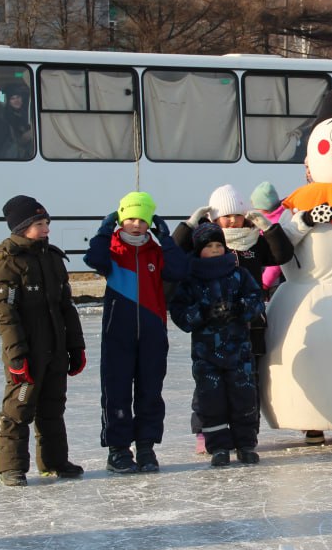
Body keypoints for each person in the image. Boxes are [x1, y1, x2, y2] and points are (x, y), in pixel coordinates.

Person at [175, 183, 294, 449]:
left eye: (236, 214)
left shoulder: (254, 241)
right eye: (225, 215)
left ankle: (246, 432)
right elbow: (173, 254)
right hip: (211, 328)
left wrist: (269, 227)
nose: (232, 220)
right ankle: (206, 430)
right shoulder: (207, 243)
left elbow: (283, 254)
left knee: (248, 381)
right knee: (209, 379)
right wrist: (189, 226)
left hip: (249, 324)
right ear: (214, 218)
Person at [0, 195, 86, 486]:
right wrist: (17, 356)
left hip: (56, 350)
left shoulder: (52, 259)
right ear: (21, 227)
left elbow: (66, 307)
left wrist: (76, 346)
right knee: (19, 407)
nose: (46, 229)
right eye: (39, 224)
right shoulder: (8, 264)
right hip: (27, 353)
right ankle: (11, 467)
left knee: (53, 407)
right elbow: (5, 315)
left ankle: (54, 461)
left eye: (47, 223)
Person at [83, 191, 188, 474]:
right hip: (118, 332)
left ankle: (145, 447)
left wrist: (166, 239)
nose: (136, 224)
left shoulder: (156, 250)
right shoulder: (113, 250)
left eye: (142, 219)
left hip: (153, 333)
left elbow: (179, 270)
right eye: (129, 218)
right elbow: (93, 259)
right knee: (116, 391)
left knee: (150, 391)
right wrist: (105, 231)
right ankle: (118, 450)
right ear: (119, 219)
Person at [169, 224, 266, 466]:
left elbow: (256, 300)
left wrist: (238, 308)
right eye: (208, 246)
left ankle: (245, 444)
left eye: (218, 245)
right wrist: (203, 312)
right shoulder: (191, 280)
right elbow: (180, 314)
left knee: (244, 398)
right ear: (198, 250)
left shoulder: (238, 274)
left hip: (239, 353)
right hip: (206, 356)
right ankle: (219, 447)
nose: (214, 250)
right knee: (211, 401)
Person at [250, 181, 287, 298]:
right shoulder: (277, 216)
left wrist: (265, 282)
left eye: (256, 207)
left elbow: (276, 262)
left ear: (264, 208)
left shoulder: (275, 224)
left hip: (275, 280)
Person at [1, 83, 34, 158]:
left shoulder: (29, 112)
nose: (16, 101)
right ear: (8, 101)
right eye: (12, 98)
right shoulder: (6, 117)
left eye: (18, 97)